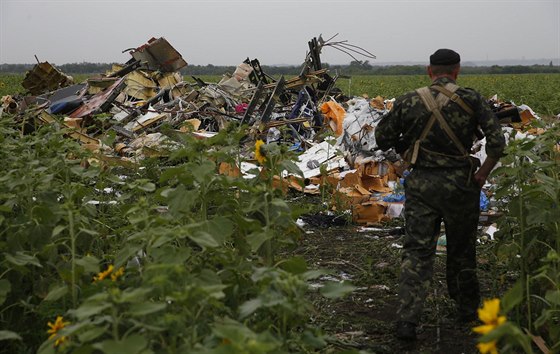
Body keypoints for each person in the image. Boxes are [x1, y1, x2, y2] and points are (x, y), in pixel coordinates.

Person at [374, 49, 506, 341]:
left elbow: (381, 138)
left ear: (428, 70)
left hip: (421, 185)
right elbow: (497, 142)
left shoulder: (409, 100)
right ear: (457, 71)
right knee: (462, 249)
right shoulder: (472, 99)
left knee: (417, 251)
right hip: (461, 185)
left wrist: (408, 147)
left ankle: (407, 320)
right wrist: (482, 174)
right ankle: (467, 310)